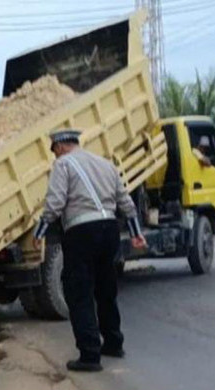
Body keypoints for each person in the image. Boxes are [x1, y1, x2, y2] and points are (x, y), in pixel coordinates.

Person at [33, 129, 147, 372]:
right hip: (109, 230)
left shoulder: (63, 165)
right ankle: (114, 342)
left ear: (61, 146)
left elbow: (55, 203)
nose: (54, 156)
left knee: (79, 292)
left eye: (54, 151)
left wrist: (39, 233)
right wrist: (136, 233)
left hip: (81, 232)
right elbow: (125, 202)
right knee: (106, 289)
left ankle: (90, 355)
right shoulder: (105, 164)